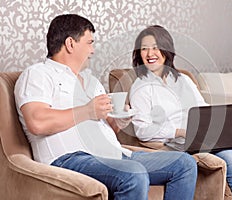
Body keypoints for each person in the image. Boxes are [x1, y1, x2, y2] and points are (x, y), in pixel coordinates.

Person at [14, 14, 198, 200]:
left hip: (114, 155)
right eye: (89, 42)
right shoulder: (38, 74)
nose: (93, 50)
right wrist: (87, 110)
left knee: (184, 163)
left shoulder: (90, 80)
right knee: (134, 173)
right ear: (70, 44)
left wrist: (120, 120)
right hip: (69, 158)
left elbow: (109, 127)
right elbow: (36, 122)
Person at [129, 25, 232, 200]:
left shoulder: (182, 79)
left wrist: (222, 125)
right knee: (230, 156)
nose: (149, 53)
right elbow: (142, 130)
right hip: (181, 144)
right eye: (144, 49)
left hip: (206, 136)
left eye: (155, 47)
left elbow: (203, 107)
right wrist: (180, 132)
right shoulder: (141, 87)